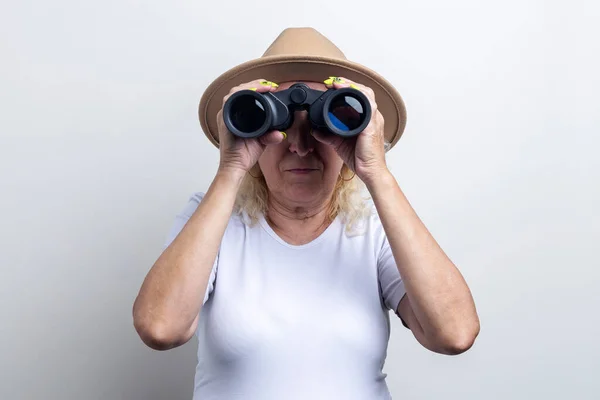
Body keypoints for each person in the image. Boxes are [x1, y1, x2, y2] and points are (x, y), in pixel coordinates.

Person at [132, 27, 480, 400]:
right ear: (255, 134)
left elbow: (454, 333)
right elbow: (161, 327)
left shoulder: (376, 229)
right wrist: (231, 167)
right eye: (280, 126)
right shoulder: (214, 221)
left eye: (320, 127)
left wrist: (377, 172)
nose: (299, 146)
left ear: (351, 134)